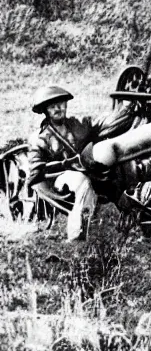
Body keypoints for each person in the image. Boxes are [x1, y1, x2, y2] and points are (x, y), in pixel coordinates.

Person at [28, 85, 140, 241]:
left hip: (86, 170)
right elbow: (36, 172)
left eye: (61, 104)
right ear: (46, 111)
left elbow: (105, 124)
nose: (58, 109)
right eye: (53, 106)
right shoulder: (40, 139)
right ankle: (77, 235)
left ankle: (138, 224)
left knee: (111, 178)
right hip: (58, 180)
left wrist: (127, 107)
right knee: (82, 182)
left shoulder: (78, 125)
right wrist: (68, 164)